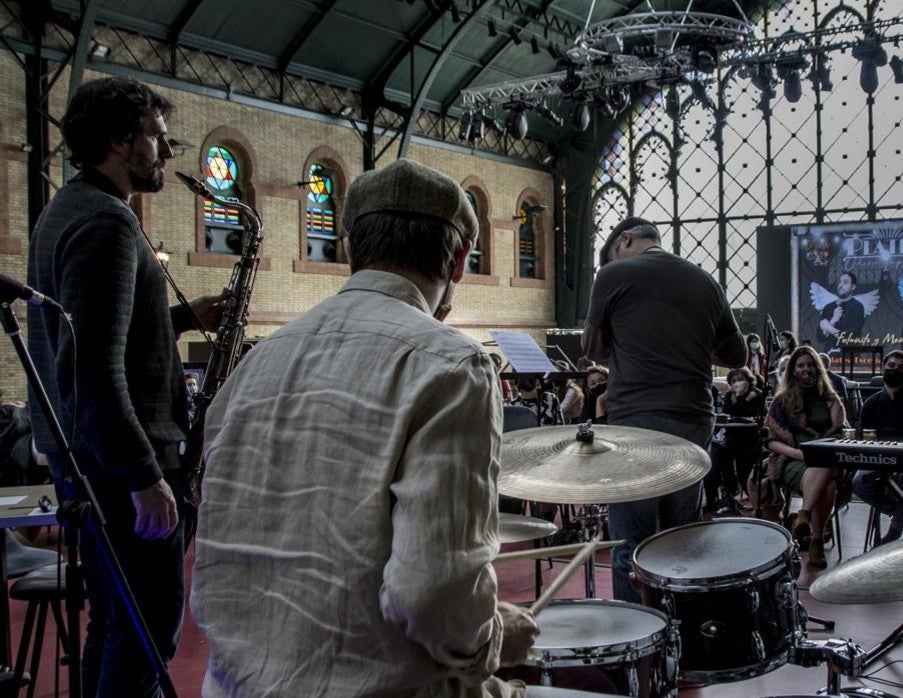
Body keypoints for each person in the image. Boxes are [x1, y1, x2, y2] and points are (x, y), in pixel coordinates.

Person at [191, 159, 538, 696]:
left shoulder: (255, 363)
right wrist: (493, 640)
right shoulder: (452, 364)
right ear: (461, 261)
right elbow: (430, 594)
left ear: (349, 249)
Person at [25, 77, 229, 697]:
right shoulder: (108, 224)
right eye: (157, 139)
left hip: (91, 459)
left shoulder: (70, 208)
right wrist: (144, 475)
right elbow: (89, 369)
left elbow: (98, 335)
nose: (166, 154)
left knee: (115, 622)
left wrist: (181, 315)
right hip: (118, 467)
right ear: (119, 141)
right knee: (148, 626)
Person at [584, 216, 746, 602]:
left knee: (630, 543)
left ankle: (635, 641)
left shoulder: (613, 276)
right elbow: (736, 354)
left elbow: (592, 349)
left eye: (610, 257)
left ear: (624, 241)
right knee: (680, 540)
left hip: (636, 421)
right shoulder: (706, 281)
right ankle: (683, 637)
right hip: (693, 420)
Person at [764, 346, 851, 569]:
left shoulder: (831, 399)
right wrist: (797, 453)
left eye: (810, 365)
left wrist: (820, 450)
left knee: (828, 473)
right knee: (828, 485)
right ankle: (816, 542)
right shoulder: (781, 401)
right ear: (793, 370)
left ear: (818, 368)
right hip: (793, 459)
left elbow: (841, 433)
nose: (806, 370)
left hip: (827, 457)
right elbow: (770, 440)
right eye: (801, 366)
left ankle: (804, 515)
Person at [850, 350, 903, 544]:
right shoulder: (871, 404)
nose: (896, 370)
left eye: (902, 367)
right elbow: (866, 440)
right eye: (892, 366)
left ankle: (894, 532)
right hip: (877, 459)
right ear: (882, 369)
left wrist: (893, 467)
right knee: (859, 482)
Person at [706, 367, 765, 515]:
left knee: (745, 469)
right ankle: (726, 497)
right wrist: (739, 397)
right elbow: (729, 413)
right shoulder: (730, 395)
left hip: (750, 440)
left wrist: (744, 399)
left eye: (740, 380)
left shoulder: (757, 395)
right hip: (732, 438)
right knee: (722, 463)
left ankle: (754, 500)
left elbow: (757, 416)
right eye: (734, 381)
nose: (737, 383)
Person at [819, 271, 866, 348]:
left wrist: (828, 327)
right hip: (829, 357)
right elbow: (820, 338)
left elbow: (850, 338)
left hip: (849, 357)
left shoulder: (857, 307)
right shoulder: (828, 307)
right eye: (839, 282)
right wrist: (833, 320)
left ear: (853, 287)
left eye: (845, 282)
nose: (840, 285)